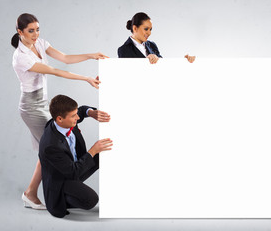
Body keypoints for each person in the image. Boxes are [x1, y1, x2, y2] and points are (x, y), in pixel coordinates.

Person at [11, 13, 109, 210]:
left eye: (37, 29)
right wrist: (86, 78)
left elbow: (64, 58)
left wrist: (91, 55)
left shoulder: (39, 43)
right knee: (51, 146)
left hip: (42, 101)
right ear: (20, 32)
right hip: (31, 107)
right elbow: (55, 71)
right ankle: (56, 190)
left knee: (45, 151)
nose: (36, 34)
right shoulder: (20, 57)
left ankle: (31, 193)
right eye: (31, 31)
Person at [39, 94, 113, 218]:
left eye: (76, 113)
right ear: (60, 119)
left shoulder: (62, 121)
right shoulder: (50, 145)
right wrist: (93, 151)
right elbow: (73, 172)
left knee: (105, 153)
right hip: (63, 179)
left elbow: (82, 110)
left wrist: (91, 112)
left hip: (73, 166)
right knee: (91, 200)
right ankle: (64, 199)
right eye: (74, 116)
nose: (78, 118)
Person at [118, 12, 196, 64]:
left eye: (150, 29)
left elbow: (163, 66)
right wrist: (146, 61)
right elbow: (129, 73)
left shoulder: (152, 45)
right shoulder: (123, 50)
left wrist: (184, 62)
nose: (149, 33)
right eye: (146, 29)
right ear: (135, 28)